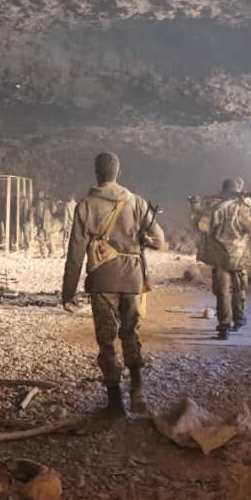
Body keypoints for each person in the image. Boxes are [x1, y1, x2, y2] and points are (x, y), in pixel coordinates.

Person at [62, 152, 164, 418]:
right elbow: (159, 239)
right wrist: (141, 240)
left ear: (97, 172)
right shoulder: (137, 202)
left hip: (102, 279)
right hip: (133, 278)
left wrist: (68, 292)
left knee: (106, 340)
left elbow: (75, 253)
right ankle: (138, 391)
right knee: (131, 333)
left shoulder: (85, 205)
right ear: (118, 172)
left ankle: (115, 402)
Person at [190, 178, 251, 340]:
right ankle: (239, 320)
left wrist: (195, 208)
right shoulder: (243, 209)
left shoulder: (214, 209)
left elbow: (201, 226)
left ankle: (224, 327)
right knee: (239, 289)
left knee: (222, 292)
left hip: (220, 258)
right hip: (239, 258)